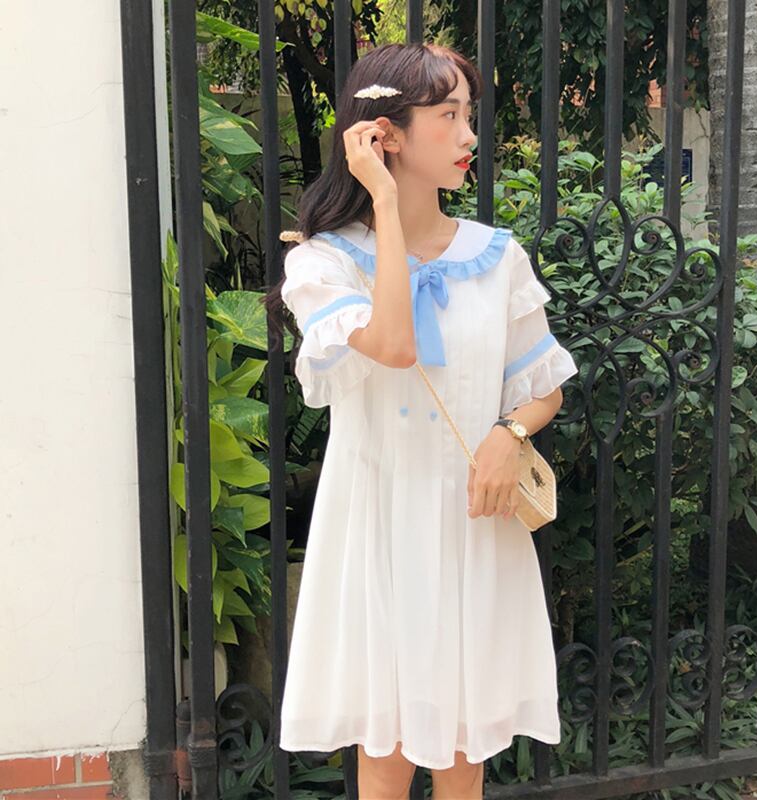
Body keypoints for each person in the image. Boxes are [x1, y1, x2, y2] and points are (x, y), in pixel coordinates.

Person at [264, 42, 578, 800]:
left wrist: (509, 435)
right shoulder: (324, 264)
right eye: (448, 116)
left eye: (469, 114)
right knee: (386, 752)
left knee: (465, 751)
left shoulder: (497, 257)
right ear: (387, 134)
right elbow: (395, 346)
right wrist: (381, 203)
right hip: (379, 522)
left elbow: (544, 386)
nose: (469, 135)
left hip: (473, 520)